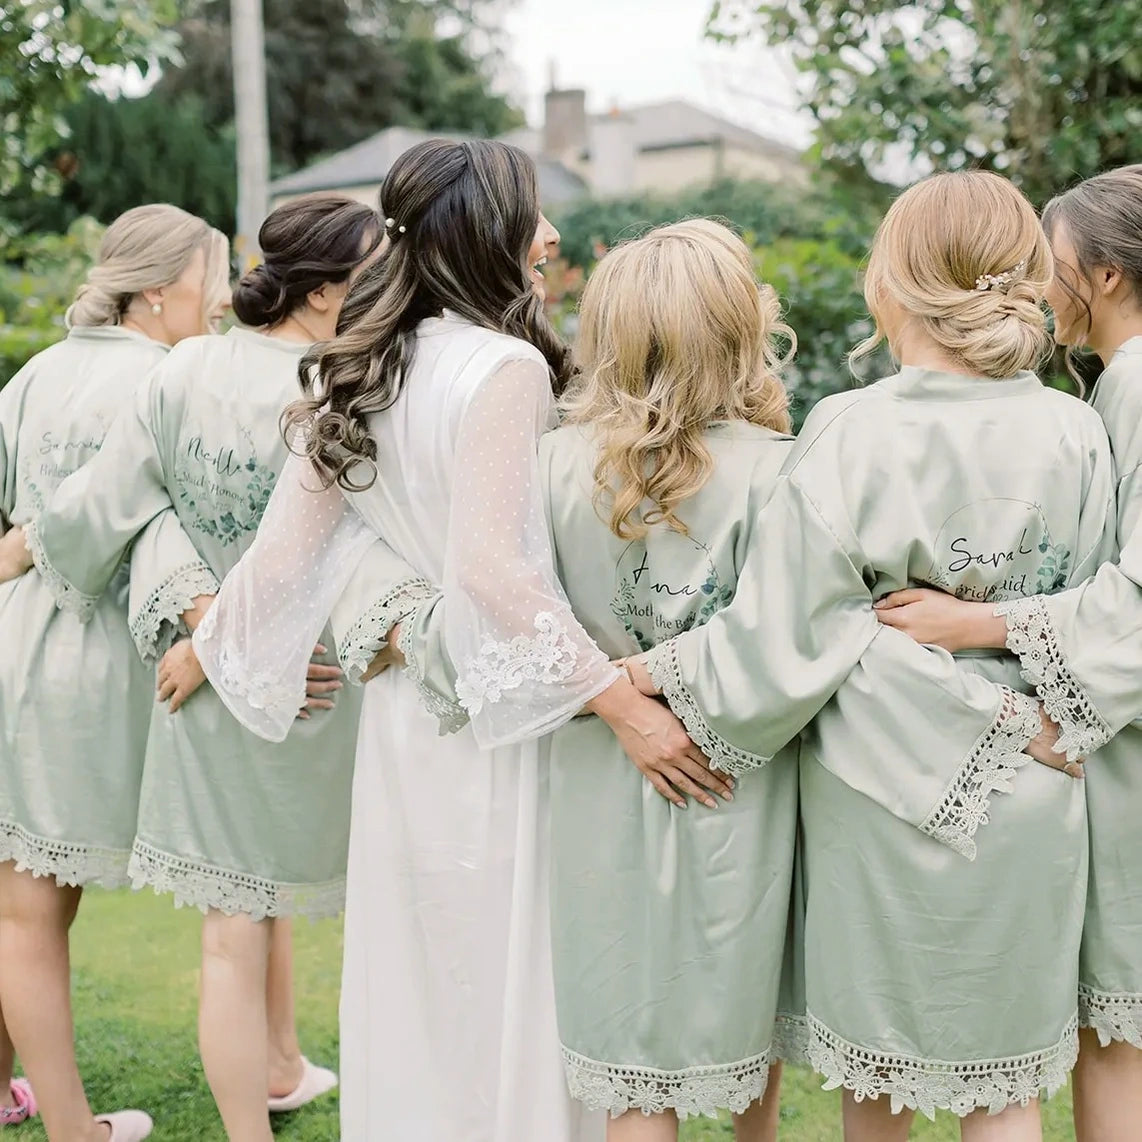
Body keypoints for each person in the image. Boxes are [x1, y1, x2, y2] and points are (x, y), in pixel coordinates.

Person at [174, 138, 728, 1142]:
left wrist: (210, 638)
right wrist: (620, 704)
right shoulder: (503, 365)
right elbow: (491, 571)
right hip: (502, 727)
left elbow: (289, 553)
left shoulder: (364, 364)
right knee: (509, 974)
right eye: (532, 214)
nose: (550, 236)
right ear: (489, 231)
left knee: (425, 974)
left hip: (404, 729)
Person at [619, 171, 1112, 1141]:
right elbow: (1091, 604)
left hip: (877, 791)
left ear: (892, 277)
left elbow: (780, 631)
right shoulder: (1075, 427)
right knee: (1002, 1090)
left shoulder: (851, 425)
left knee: (874, 1082)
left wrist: (645, 673)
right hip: (1032, 781)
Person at [0, 194, 386, 1142]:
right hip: (210, 672)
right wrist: (237, 636)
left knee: (165, 916)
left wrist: (201, 623)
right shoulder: (294, 384)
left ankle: (263, 1083)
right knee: (247, 891)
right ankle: (276, 1069)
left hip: (108, 654)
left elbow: (118, 512)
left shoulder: (95, 376)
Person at [873, 164, 1142, 1142]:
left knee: (1113, 1031)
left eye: (1053, 258)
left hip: (1110, 751)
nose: (1037, 276)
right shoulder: (1101, 397)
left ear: (1103, 274)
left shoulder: (1135, 388)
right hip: (1087, 748)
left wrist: (973, 624)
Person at [0, 204, 229, 1142]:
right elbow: (143, 525)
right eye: (213, 275)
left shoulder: (33, 375)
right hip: (80, 652)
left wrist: (16, 548)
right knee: (33, 909)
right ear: (156, 290)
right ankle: (71, 1128)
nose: (222, 296)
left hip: (13, 637)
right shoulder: (170, 379)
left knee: (14, 894)